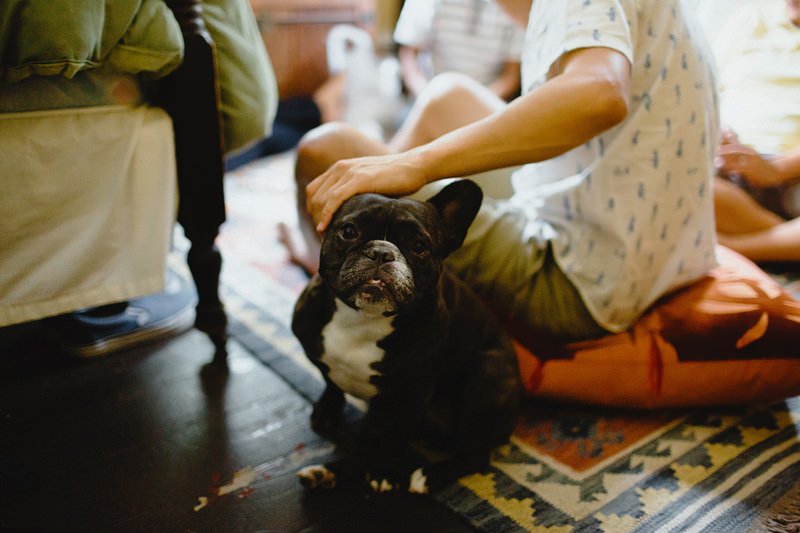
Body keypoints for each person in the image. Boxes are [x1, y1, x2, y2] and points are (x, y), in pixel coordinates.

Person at [284, 0, 720, 342]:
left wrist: (412, 165)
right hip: (665, 258)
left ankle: (332, 266)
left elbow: (600, 93)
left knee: (326, 149)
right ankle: (379, 220)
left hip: (577, 277)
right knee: (446, 95)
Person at [706, 0, 800, 262]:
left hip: (793, 173)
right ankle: (783, 242)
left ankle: (735, 248)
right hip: (732, 165)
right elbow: (706, 87)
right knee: (694, 188)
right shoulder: (752, 17)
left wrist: (778, 170)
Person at [393, 0, 525, 102]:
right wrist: (425, 96)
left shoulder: (515, 6)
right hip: (432, 93)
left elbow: (511, 76)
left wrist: (473, 105)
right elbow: (409, 57)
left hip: (487, 100)